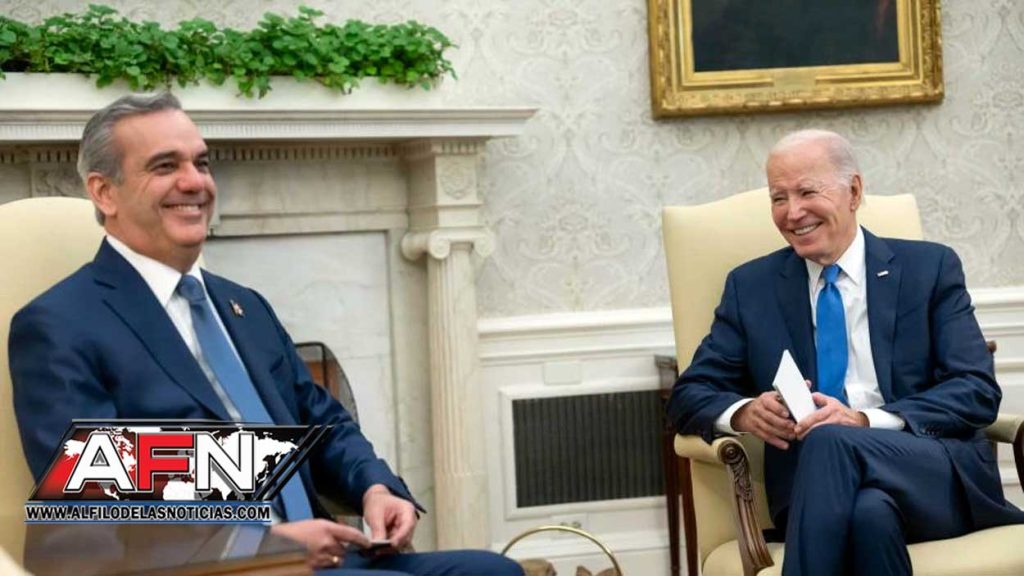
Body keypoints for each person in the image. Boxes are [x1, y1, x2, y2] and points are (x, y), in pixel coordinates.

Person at [9, 92, 522, 576]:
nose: (194, 182)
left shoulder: (243, 306)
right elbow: (96, 505)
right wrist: (267, 544)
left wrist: (375, 488)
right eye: (165, 166)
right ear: (104, 192)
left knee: (493, 570)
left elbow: (321, 424)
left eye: (201, 163)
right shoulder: (60, 324)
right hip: (214, 568)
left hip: (325, 558)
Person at [667, 129, 1023, 575]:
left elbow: (976, 390)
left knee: (831, 438)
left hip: (929, 474)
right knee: (869, 515)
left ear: (853, 192)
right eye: (778, 198)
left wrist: (864, 420)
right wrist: (744, 413)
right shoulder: (752, 288)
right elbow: (688, 395)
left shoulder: (929, 269)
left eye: (807, 192)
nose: (792, 212)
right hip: (821, 495)